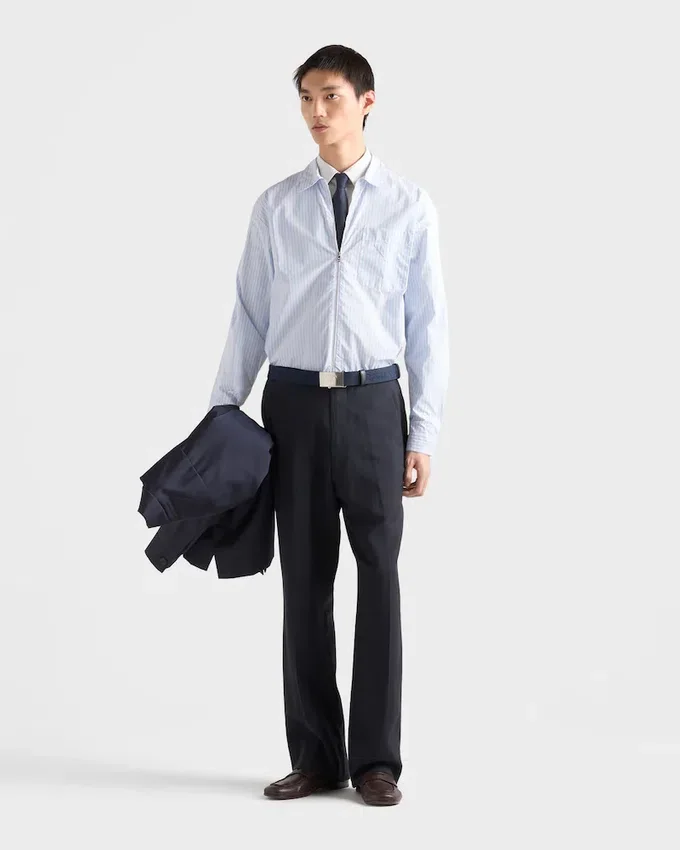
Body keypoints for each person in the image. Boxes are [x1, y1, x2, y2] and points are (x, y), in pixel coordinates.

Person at [208, 44, 449, 806]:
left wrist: (423, 434)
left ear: (367, 102)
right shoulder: (277, 206)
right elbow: (249, 316)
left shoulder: (409, 205)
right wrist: (222, 413)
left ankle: (376, 761)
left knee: (380, 578)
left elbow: (428, 328)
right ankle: (316, 756)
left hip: (375, 407)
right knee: (304, 581)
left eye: (331, 96)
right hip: (293, 407)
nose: (316, 111)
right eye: (307, 97)